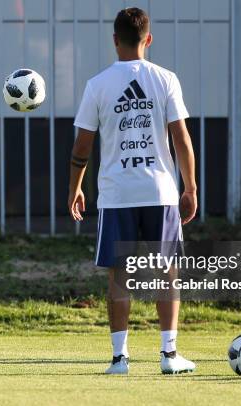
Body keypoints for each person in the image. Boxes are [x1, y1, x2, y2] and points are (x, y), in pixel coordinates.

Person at [69, 8, 197, 374]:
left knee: (119, 275)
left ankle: (119, 359)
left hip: (117, 194)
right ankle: (169, 356)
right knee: (167, 272)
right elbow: (181, 139)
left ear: (114, 39)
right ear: (148, 39)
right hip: (160, 191)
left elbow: (82, 147)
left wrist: (75, 188)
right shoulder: (166, 79)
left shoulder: (98, 84)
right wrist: (190, 188)